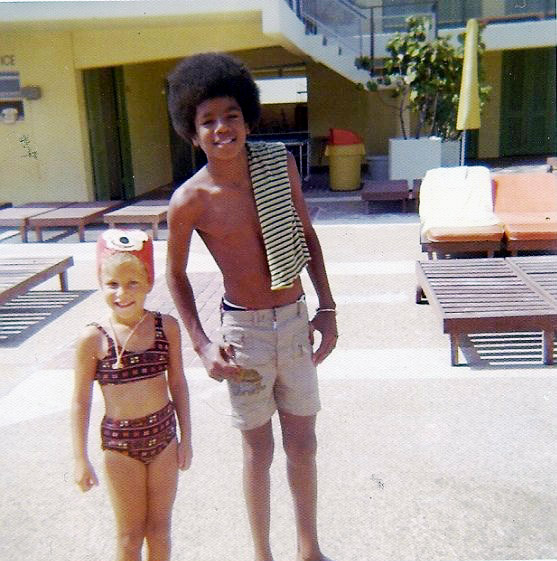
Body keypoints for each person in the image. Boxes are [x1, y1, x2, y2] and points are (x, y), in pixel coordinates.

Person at [166, 52, 337, 561]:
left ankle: (309, 549)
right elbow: (174, 274)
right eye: (208, 121)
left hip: (295, 321)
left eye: (231, 115)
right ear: (192, 133)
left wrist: (327, 308)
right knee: (258, 451)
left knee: (303, 444)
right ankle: (262, 554)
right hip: (245, 334)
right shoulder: (190, 200)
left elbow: (305, 234)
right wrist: (201, 344)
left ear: (248, 118)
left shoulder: (277, 164)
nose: (222, 128)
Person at [71, 229, 192, 561]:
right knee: (129, 535)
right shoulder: (93, 339)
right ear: (100, 283)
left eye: (133, 283)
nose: (122, 293)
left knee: (160, 530)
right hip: (120, 446)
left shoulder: (166, 328)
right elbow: (80, 400)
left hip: (164, 438)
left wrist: (186, 439)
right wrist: (80, 458)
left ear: (149, 283)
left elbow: (178, 384)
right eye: (112, 284)